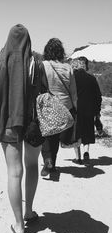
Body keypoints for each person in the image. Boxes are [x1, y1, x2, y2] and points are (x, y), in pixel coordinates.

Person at [0, 24, 47, 233]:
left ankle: (18, 225)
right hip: (33, 123)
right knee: (32, 165)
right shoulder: (37, 65)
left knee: (14, 171)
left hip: (7, 122)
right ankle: (29, 211)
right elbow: (44, 91)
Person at [40, 38, 77, 176]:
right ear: (61, 52)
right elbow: (73, 92)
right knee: (57, 137)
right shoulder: (68, 68)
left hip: (49, 105)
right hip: (65, 105)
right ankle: (52, 164)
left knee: (48, 136)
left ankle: (48, 161)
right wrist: (75, 108)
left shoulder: (42, 65)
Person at [72, 56, 102, 164]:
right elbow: (98, 96)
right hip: (89, 111)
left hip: (76, 110)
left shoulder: (73, 77)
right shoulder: (92, 79)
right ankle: (86, 152)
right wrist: (97, 111)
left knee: (76, 134)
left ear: (79, 64)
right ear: (86, 65)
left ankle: (77, 157)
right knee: (87, 132)